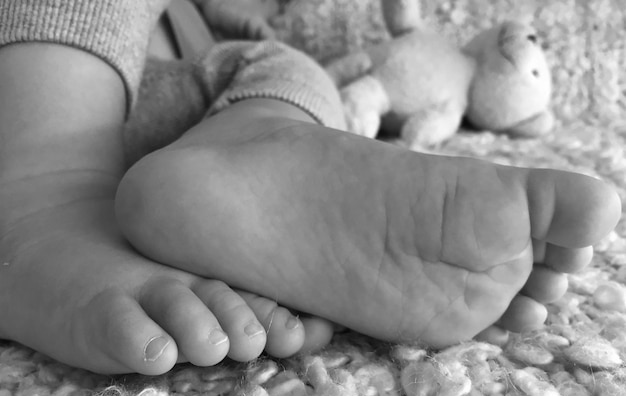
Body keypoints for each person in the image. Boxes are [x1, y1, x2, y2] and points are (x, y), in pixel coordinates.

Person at [0, 0, 621, 376]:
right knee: (282, 68)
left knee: (286, 65)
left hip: (176, 104)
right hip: (45, 87)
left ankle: (255, 142)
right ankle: (45, 190)